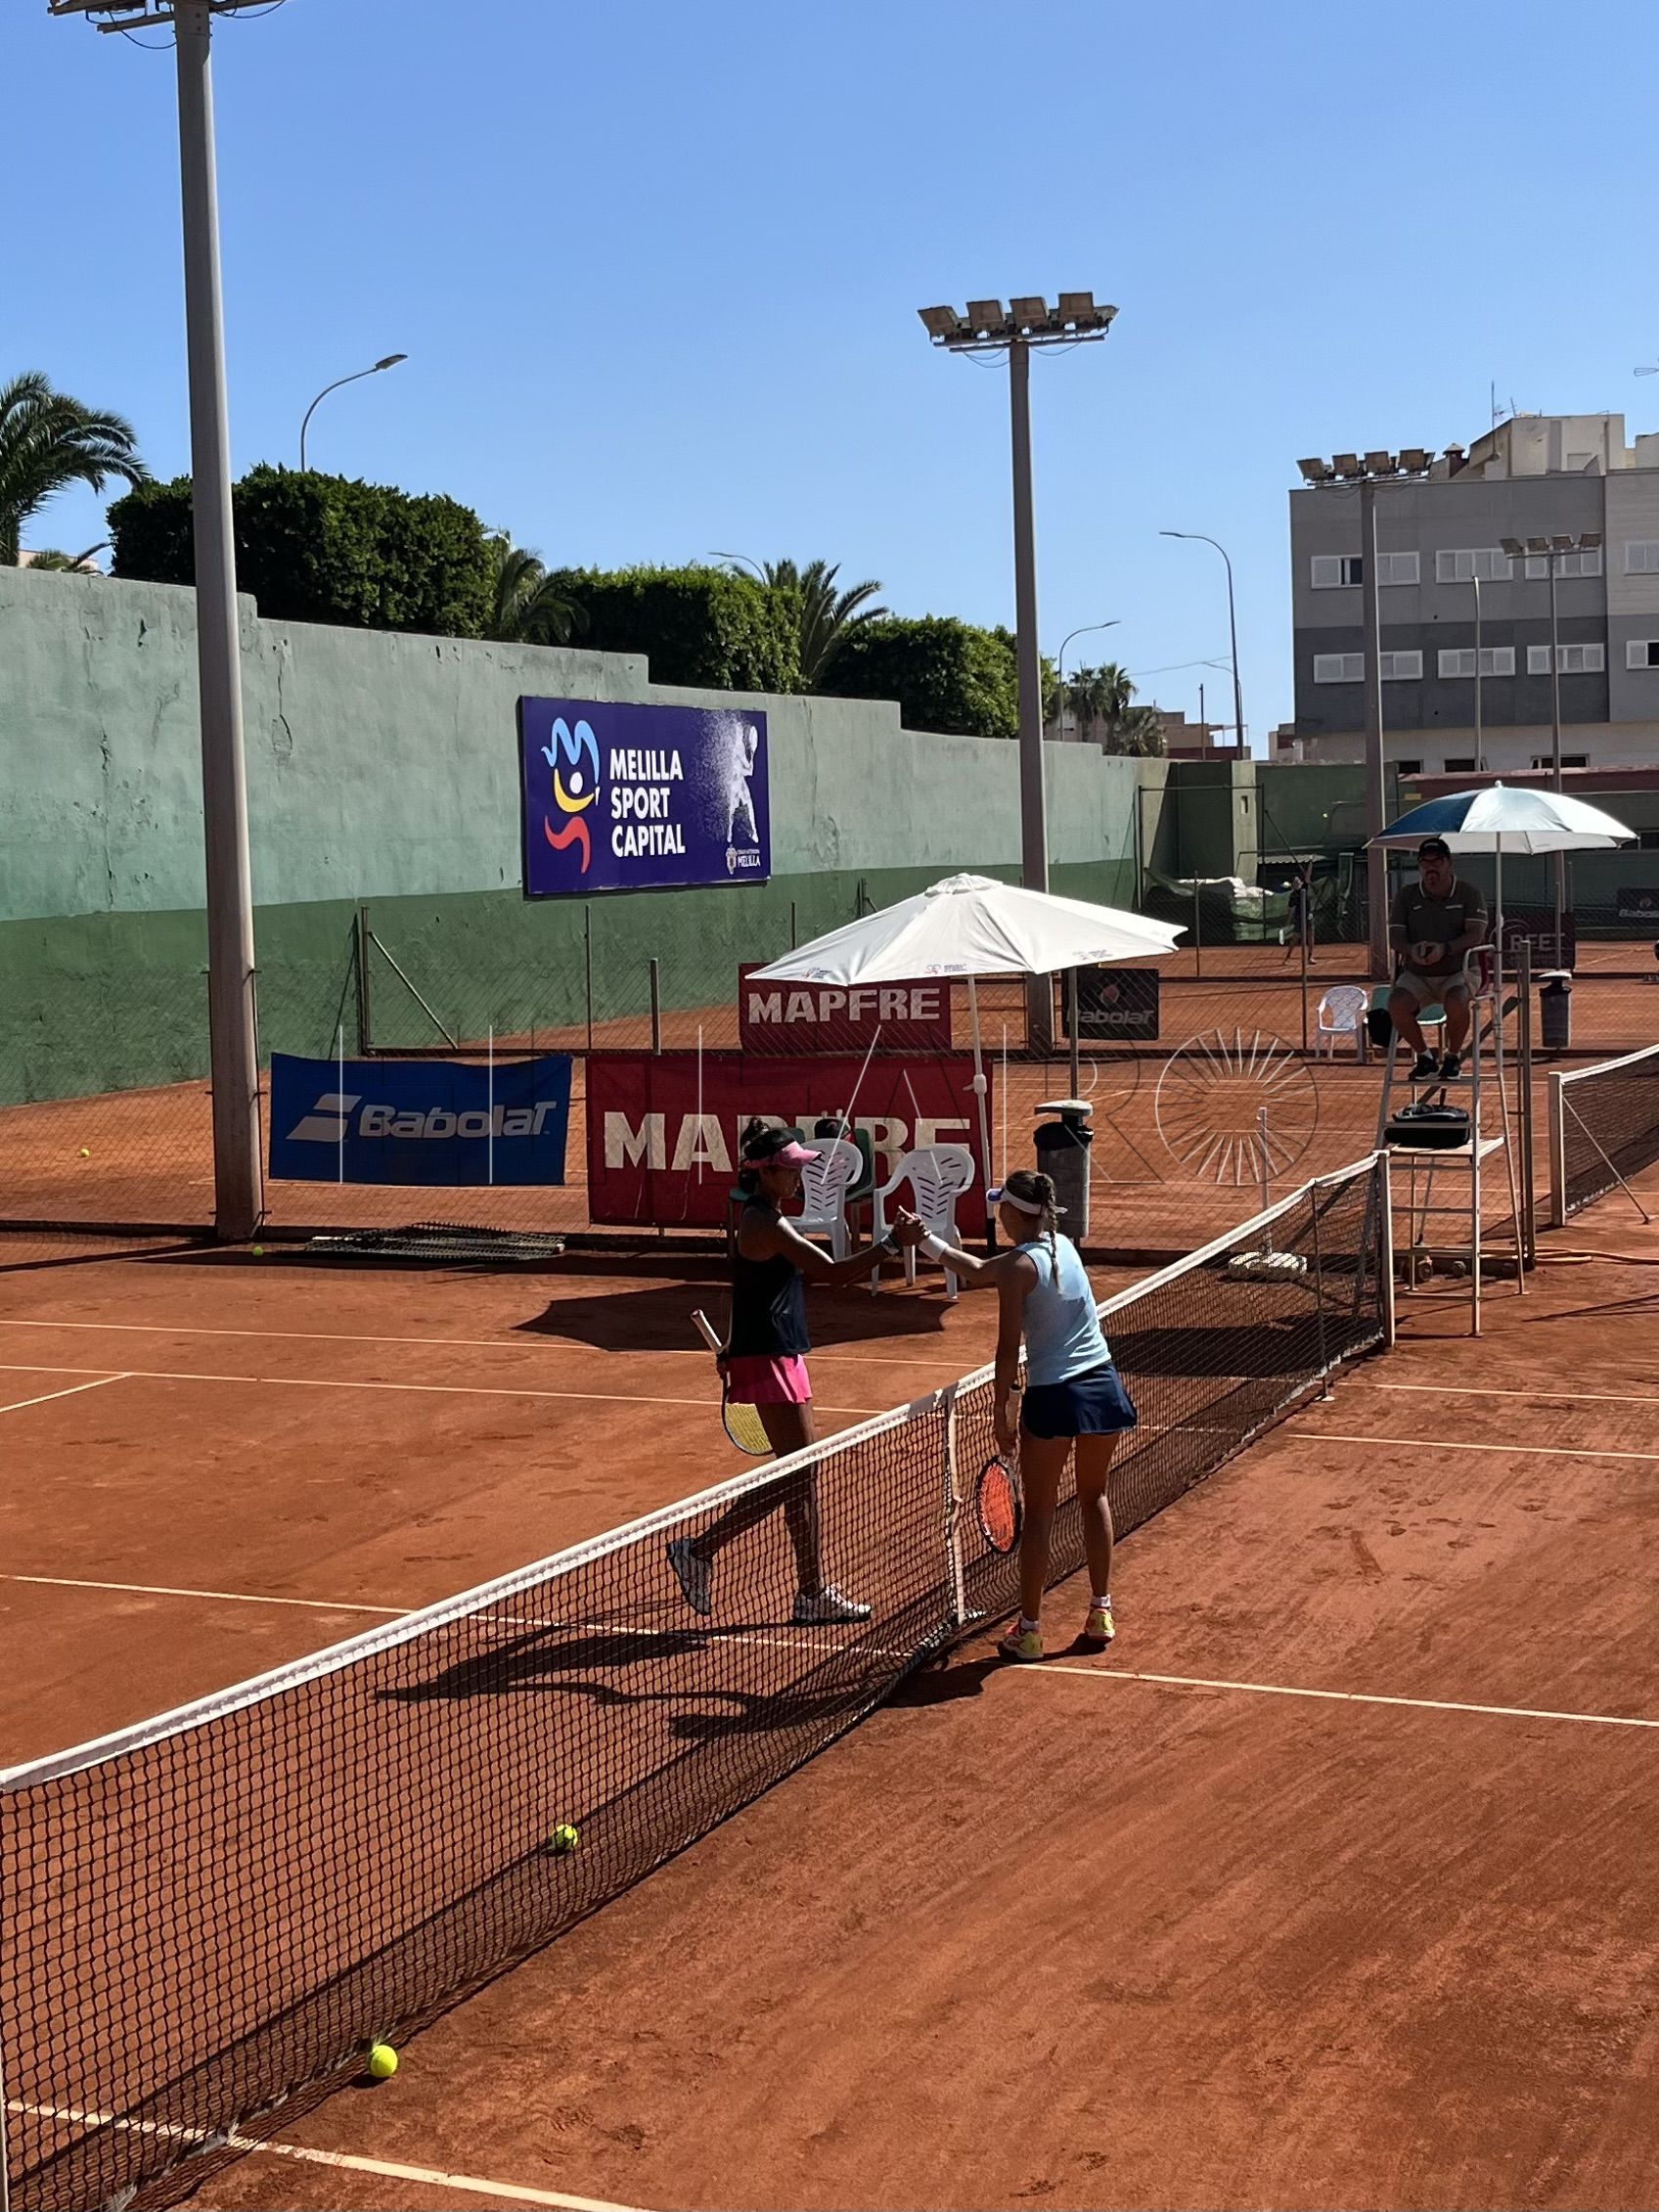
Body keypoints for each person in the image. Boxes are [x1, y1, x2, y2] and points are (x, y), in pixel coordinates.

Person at [667, 1120, 919, 1625]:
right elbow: (832, 1273)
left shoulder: (768, 1217)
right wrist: (893, 1242)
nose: (799, 1176)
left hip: (778, 1350)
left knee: (801, 1475)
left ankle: (809, 1593)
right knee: (796, 1474)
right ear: (764, 1173)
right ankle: (700, 1550)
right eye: (790, 1169)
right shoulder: (764, 1223)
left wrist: (733, 1343)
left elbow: (749, 1290)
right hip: (768, 1357)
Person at [897, 1168, 1137, 1662]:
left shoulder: (1016, 1267)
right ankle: (1101, 1611)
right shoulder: (1064, 1245)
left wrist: (1001, 1412)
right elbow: (978, 1270)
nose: (998, 1214)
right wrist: (925, 1240)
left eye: (1000, 1206)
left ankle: (1029, 1630)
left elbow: (1008, 1350)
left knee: (1041, 1513)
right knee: (1094, 1496)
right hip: (1103, 1389)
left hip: (1053, 1396)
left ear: (1012, 1212)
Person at [1387, 836, 1489, 1081]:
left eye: (1437, 862)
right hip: (1417, 975)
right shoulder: (1406, 895)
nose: (1431, 868)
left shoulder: (1469, 893)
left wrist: (1445, 949)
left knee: (1456, 1000)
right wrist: (1412, 950)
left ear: (1449, 864)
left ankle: (1452, 1057)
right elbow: (1395, 938)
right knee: (1396, 1003)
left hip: (1460, 972)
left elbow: (1476, 934)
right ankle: (1425, 1058)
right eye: (1425, 863)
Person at [1281, 866, 1316, 966]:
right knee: (1295, 938)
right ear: (1293, 884)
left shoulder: (1304, 887)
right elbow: (1291, 908)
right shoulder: (1293, 895)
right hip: (1299, 917)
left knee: (1310, 935)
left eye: (1298, 880)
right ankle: (1287, 957)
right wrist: (1288, 921)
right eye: (1295, 881)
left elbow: (1308, 876)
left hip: (1308, 916)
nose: (1298, 882)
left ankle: (1310, 957)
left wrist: (1310, 863)